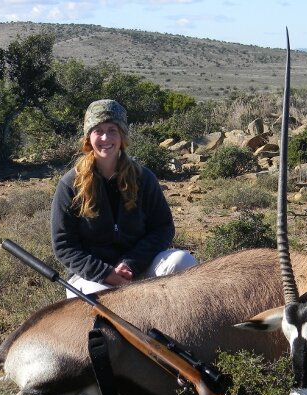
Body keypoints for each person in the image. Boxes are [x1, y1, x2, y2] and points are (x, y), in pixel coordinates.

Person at [51, 99, 197, 297]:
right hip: (93, 277)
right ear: (88, 137)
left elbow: (163, 228)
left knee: (183, 262)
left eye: (112, 130)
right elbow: (64, 245)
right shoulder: (70, 184)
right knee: (106, 304)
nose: (105, 137)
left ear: (122, 136)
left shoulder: (144, 178)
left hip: (138, 267)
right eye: (98, 131)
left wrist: (131, 264)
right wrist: (105, 273)